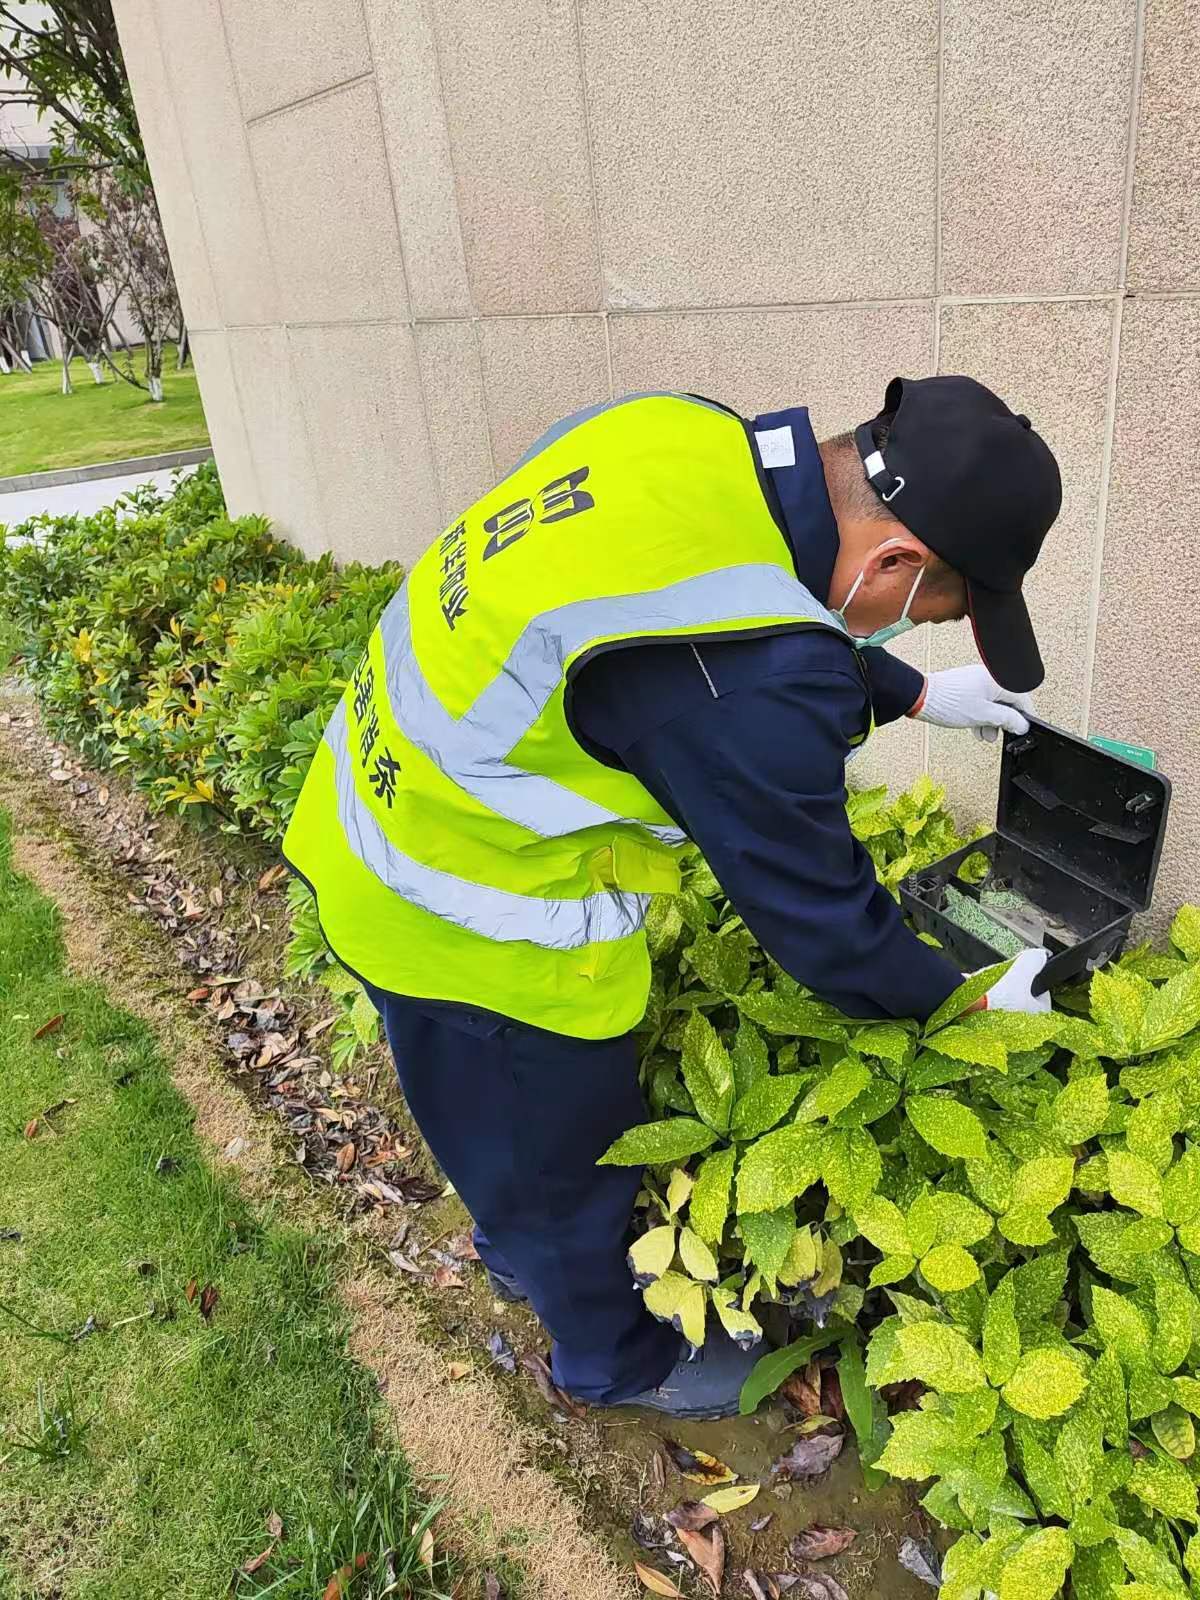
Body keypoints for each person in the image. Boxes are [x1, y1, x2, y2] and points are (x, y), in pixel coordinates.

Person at [284, 375, 1062, 1419]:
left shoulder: (684, 432)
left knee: (486, 1124)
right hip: (463, 911)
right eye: (932, 618)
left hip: (381, 807)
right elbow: (825, 921)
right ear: (894, 563)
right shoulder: (754, 685)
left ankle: (518, 1249)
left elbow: (710, 606)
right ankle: (613, 1360)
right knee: (561, 1141)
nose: (913, 632)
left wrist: (912, 693)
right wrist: (965, 998)